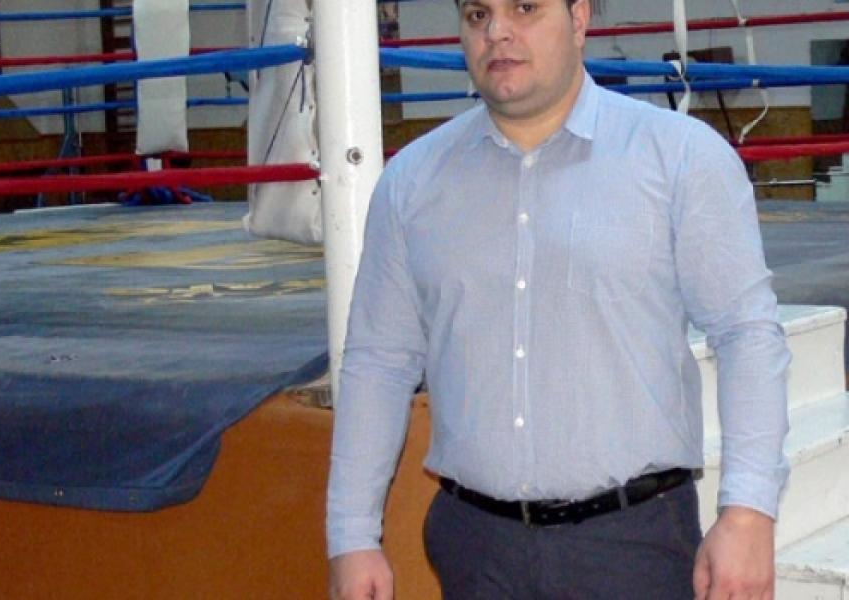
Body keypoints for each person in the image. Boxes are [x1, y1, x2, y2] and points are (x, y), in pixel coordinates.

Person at [326, 1, 790, 599]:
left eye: (525, 7)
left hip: (632, 546)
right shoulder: (412, 183)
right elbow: (379, 363)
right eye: (477, 15)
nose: (497, 32)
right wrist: (351, 535)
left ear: (579, 18)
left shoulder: (678, 157)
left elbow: (746, 334)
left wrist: (749, 512)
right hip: (475, 549)